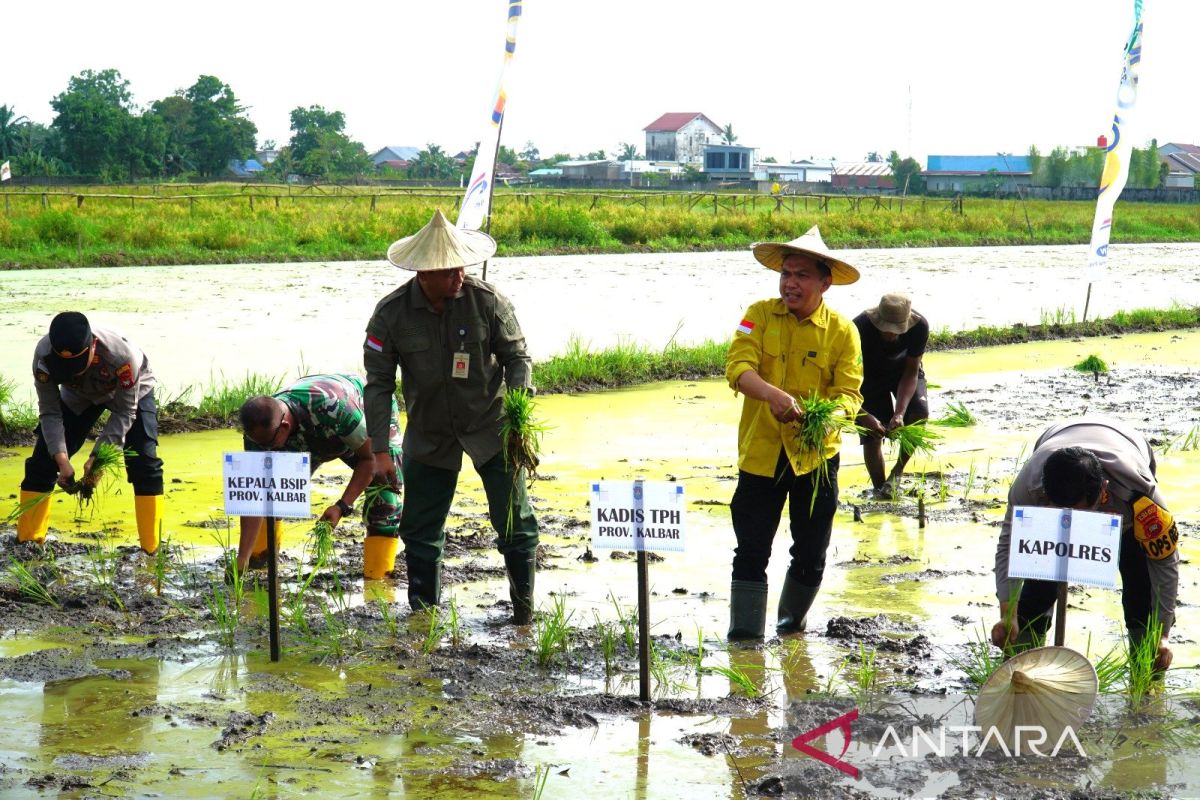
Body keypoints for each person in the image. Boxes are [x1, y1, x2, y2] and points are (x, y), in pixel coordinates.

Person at [363, 210, 539, 623]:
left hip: (492, 427)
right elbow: (378, 384)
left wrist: (519, 415)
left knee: (516, 522)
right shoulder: (391, 315)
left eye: (461, 267)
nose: (459, 275)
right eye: (448, 270)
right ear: (425, 273)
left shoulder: (488, 301)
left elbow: (518, 359)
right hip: (429, 433)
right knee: (420, 531)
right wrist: (380, 451)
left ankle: (524, 618)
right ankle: (424, 619)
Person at [725, 226, 863, 639]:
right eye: (786, 274)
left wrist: (821, 416)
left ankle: (791, 628)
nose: (790, 283)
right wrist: (772, 396)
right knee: (750, 550)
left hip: (816, 457)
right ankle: (745, 638)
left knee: (810, 551)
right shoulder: (758, 315)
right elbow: (738, 368)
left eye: (801, 275)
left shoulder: (842, 331)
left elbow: (850, 396)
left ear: (825, 282)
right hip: (762, 453)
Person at [992, 417, 1178, 672]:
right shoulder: (1029, 486)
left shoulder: (1139, 493)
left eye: (1079, 514)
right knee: (1038, 573)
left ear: (1103, 491)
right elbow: (1009, 544)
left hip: (1125, 447)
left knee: (1139, 584)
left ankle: (1145, 672)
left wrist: (1163, 634)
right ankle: (1024, 663)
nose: (1073, 525)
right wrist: (1007, 611)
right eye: (1061, 512)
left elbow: (1164, 559)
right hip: (1058, 436)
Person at [17, 312, 164, 553]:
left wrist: (98, 457)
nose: (70, 371)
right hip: (79, 394)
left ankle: (151, 549)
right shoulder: (43, 357)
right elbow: (50, 413)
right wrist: (62, 460)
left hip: (130, 391)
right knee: (43, 461)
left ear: (93, 347)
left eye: (74, 365)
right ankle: (29, 544)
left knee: (145, 462)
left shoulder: (122, 357)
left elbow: (125, 412)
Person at [233, 374, 403, 579]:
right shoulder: (260, 432)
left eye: (267, 444)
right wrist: (242, 559)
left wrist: (342, 506)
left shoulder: (334, 408)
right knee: (275, 492)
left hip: (365, 417)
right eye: (258, 444)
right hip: (309, 437)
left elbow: (369, 460)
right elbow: (255, 495)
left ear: (284, 427)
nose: (263, 450)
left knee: (384, 495)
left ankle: (378, 579)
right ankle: (259, 559)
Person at [852, 293, 930, 498]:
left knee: (920, 414)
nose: (891, 335)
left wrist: (899, 413)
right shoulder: (859, 327)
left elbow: (912, 371)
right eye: (885, 329)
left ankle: (896, 473)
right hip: (867, 376)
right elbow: (846, 375)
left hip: (902, 371)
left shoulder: (920, 327)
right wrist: (862, 414)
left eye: (897, 331)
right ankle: (880, 488)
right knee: (871, 434)